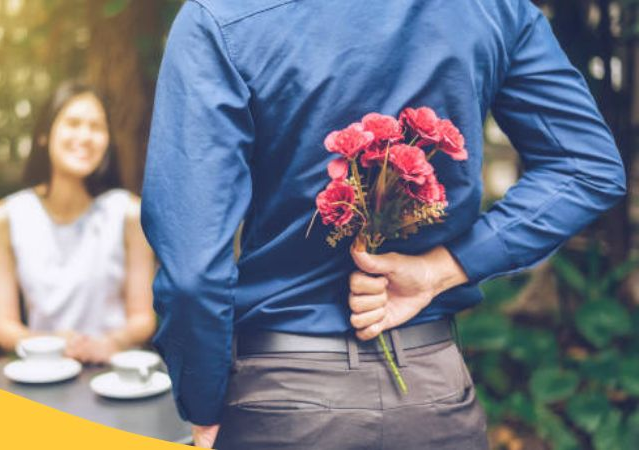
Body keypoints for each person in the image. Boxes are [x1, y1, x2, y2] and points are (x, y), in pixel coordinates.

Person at [141, 1, 627, 449]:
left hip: (282, 403)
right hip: (433, 396)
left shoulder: (223, 16)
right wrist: (444, 268)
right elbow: (586, 167)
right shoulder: (491, 8)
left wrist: (202, 405)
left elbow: (192, 274)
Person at [0, 81, 156, 364]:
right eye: (73, 123)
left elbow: (143, 319)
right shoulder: (4, 218)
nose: (85, 136)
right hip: (43, 375)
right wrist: (49, 344)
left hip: (115, 378)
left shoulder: (128, 214)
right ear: (44, 135)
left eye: (96, 127)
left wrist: (109, 344)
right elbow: (4, 327)